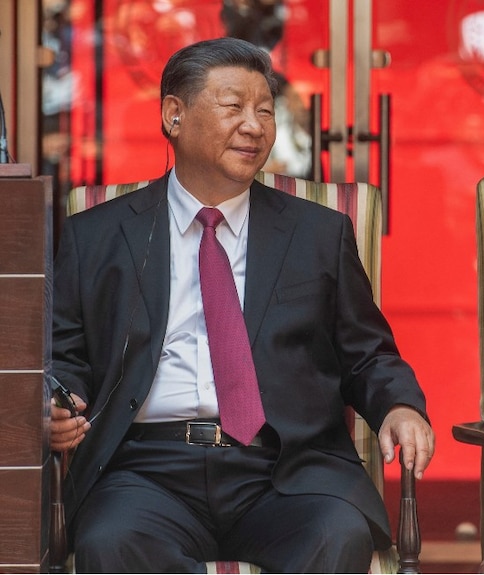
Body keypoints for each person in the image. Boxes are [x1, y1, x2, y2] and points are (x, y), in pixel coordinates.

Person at [49, 37, 434, 573]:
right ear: (173, 115)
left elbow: (367, 352)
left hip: (285, 468)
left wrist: (400, 406)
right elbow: (65, 357)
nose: (254, 126)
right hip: (147, 469)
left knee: (335, 534)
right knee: (113, 542)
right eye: (233, 107)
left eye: (265, 111)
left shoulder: (318, 233)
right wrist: (56, 405)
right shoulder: (96, 236)